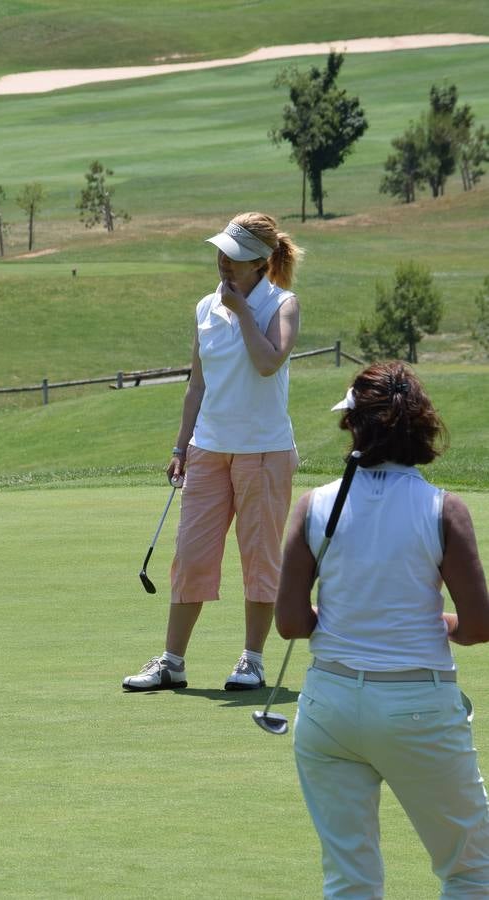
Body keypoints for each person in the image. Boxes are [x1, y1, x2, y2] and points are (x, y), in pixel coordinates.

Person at [277, 362, 489, 897]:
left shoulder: (314, 505)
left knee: (351, 882)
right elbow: (479, 626)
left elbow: (290, 623)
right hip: (417, 708)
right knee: (473, 872)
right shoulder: (446, 510)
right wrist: (441, 622)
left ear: (354, 427)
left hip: (328, 708)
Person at [123, 212, 304, 692]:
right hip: (208, 450)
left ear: (261, 263)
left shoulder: (281, 305)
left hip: (264, 451)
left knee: (259, 558)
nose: (224, 263)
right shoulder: (205, 308)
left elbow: (267, 363)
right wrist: (180, 445)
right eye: (222, 253)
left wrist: (243, 310)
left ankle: (252, 660)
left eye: (236, 257)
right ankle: (172, 663)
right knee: (191, 555)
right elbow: (197, 384)